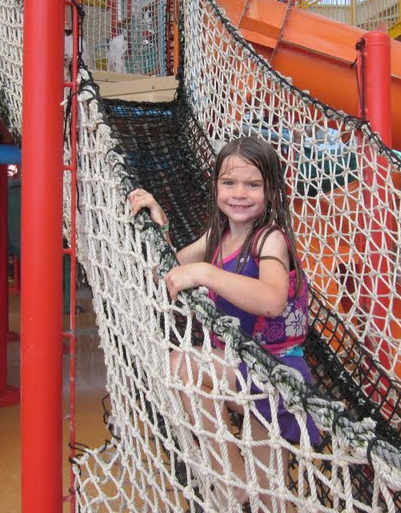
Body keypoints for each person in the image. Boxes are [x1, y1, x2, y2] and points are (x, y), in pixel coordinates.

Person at [129, 135, 319, 509]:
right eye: (229, 183)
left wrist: (207, 274)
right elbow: (167, 271)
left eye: (253, 185)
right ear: (215, 185)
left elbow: (271, 299)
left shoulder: (271, 239)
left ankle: (236, 482)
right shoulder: (216, 237)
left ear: (272, 193)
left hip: (276, 373)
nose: (239, 193)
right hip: (234, 368)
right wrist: (160, 223)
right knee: (178, 367)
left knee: (273, 496)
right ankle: (231, 477)